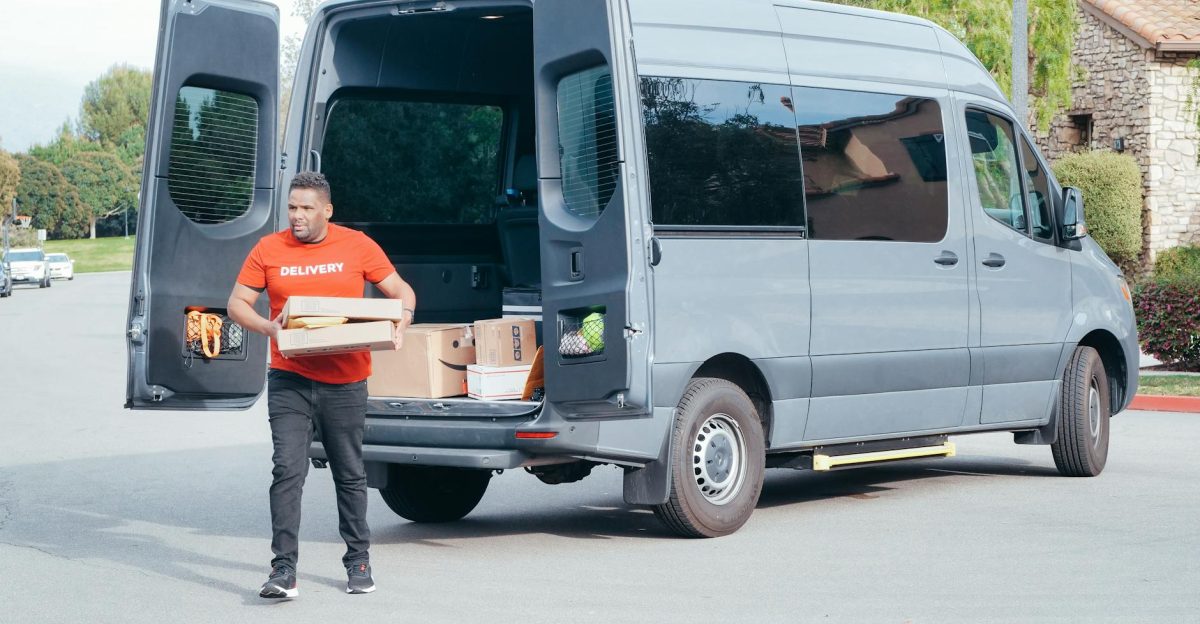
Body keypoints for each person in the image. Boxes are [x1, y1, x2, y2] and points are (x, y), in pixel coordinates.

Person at [227, 171, 416, 599]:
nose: (297, 216)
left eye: (307, 208)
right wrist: (269, 329)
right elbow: (236, 303)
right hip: (289, 379)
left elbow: (400, 290)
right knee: (286, 471)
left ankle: (358, 560)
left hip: (346, 380)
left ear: (327, 210)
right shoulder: (268, 248)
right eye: (292, 207)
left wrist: (400, 319)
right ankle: (283, 570)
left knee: (350, 473)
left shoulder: (357, 245)